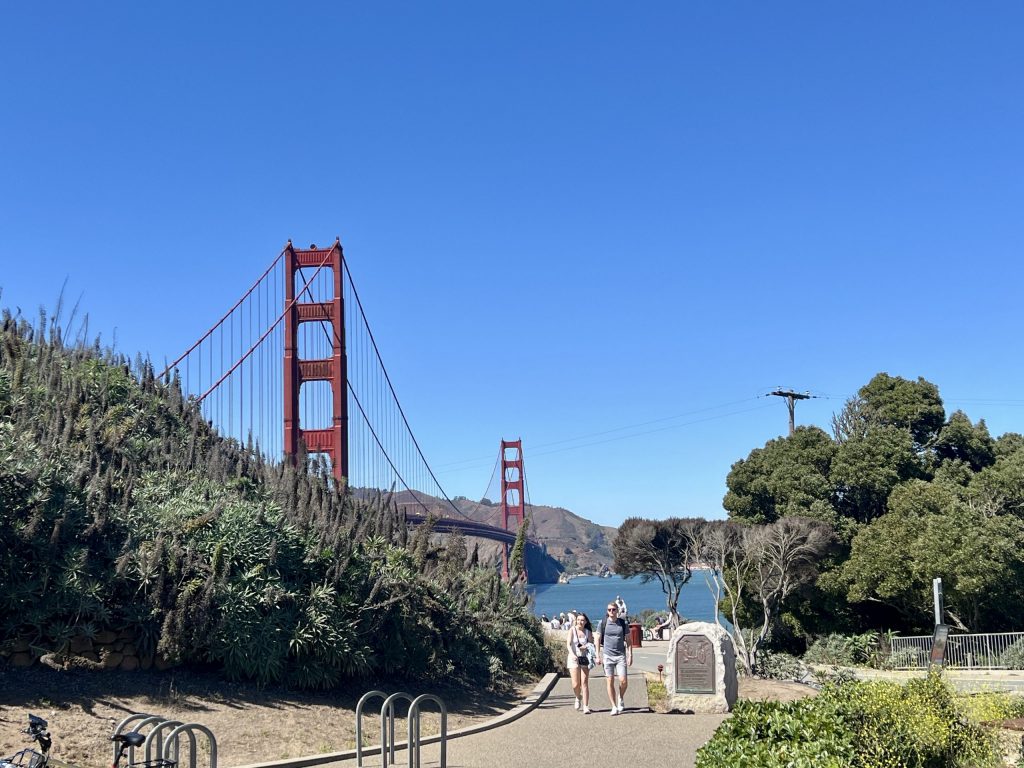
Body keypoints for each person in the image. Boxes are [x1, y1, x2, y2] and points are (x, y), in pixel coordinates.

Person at [595, 602, 632, 715]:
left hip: (620, 655)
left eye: (613, 609)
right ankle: (614, 706)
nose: (611, 612)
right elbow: (597, 639)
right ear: (607, 611)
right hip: (607, 656)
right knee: (610, 681)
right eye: (609, 610)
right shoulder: (603, 623)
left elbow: (629, 640)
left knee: (623, 681)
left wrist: (630, 655)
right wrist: (597, 655)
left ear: (617, 611)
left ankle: (620, 697)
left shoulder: (622, 623)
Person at [566, 612, 594, 714]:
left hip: (584, 658)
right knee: (575, 684)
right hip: (573, 658)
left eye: (582, 620)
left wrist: (587, 647)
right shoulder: (572, 630)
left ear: (585, 622)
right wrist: (572, 654)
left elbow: (591, 645)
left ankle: (586, 706)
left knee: (584, 682)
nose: (580, 622)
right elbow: (568, 644)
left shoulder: (588, 632)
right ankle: (578, 697)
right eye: (578, 620)